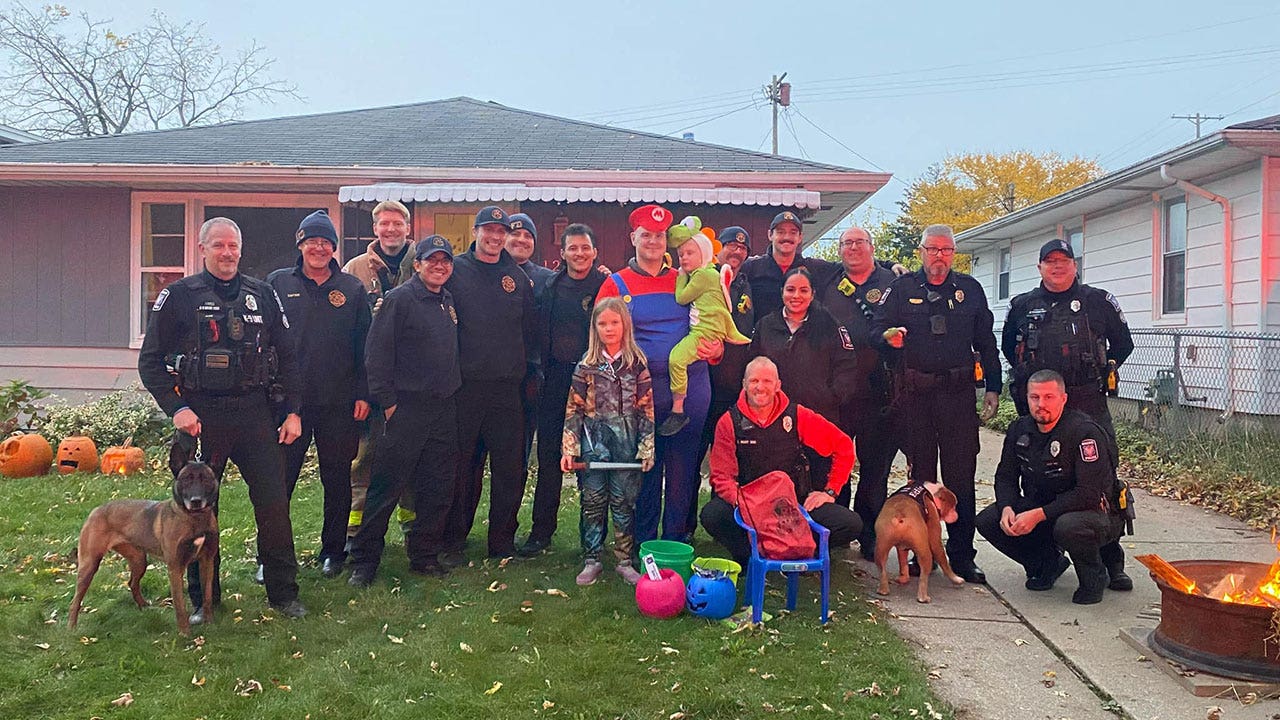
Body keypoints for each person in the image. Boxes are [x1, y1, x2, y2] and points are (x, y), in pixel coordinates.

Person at [137, 216, 306, 620]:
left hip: (254, 413)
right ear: (202, 249)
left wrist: (293, 411)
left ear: (240, 250)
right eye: (219, 245)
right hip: (201, 415)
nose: (227, 253)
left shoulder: (262, 294)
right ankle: (203, 600)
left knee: (273, 504)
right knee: (195, 511)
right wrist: (177, 408)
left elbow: (288, 357)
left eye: (233, 246)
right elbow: (150, 362)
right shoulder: (178, 296)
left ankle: (284, 594)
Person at [871, 224, 1001, 584]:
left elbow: (987, 342)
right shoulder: (901, 289)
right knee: (921, 481)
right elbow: (875, 329)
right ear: (921, 252)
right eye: (932, 249)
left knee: (960, 478)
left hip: (958, 396)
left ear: (953, 254)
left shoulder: (970, 291)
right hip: (917, 397)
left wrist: (994, 386)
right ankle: (921, 554)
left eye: (945, 250)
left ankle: (962, 556)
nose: (939, 256)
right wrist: (888, 337)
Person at [597, 204, 722, 544]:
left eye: (660, 236)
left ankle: (677, 542)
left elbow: (713, 321)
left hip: (690, 388)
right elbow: (601, 340)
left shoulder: (687, 279)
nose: (654, 241)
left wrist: (716, 348)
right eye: (646, 235)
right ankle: (645, 541)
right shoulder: (614, 284)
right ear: (633, 238)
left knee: (683, 468)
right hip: (641, 392)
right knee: (645, 469)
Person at [347, 236, 462, 585]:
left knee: (436, 487)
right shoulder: (399, 300)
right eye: (432, 260)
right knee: (385, 488)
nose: (439, 266)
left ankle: (424, 555)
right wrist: (389, 404)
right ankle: (364, 562)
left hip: (443, 408)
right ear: (418, 264)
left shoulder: (446, 300)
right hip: (406, 409)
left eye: (445, 261)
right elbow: (376, 355)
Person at [267, 210, 371, 580]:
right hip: (289, 406)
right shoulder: (277, 284)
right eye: (312, 241)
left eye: (326, 242)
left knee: (337, 479)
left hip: (339, 403)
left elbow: (365, 347)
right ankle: (272, 557)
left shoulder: (352, 289)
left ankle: (333, 551)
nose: (319, 247)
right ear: (300, 244)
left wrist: (364, 393)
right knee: (280, 482)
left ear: (334, 249)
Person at [976, 370, 1132, 605]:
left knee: (1069, 526)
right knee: (989, 520)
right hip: (1048, 506)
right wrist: (1008, 508)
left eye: (1049, 397)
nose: (1041, 404)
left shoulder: (1084, 432)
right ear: (1026, 398)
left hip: (1095, 512)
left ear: (1063, 399)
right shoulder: (1020, 429)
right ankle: (1047, 563)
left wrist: (1037, 515)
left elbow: (1088, 494)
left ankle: (1095, 576)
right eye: (1035, 397)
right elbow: (1006, 476)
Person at [441, 206, 539, 561]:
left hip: (506, 391)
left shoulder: (516, 278)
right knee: (462, 467)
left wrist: (530, 375)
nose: (496, 237)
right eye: (490, 230)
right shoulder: (455, 271)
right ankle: (453, 540)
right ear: (477, 231)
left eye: (502, 232)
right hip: (465, 388)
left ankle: (501, 542)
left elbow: (530, 332)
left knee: (509, 470)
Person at [699, 357, 863, 568]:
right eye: (754, 381)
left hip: (792, 506)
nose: (760, 387)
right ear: (744, 384)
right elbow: (722, 476)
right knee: (712, 515)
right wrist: (741, 501)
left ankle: (798, 553)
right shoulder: (729, 422)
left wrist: (829, 492)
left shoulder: (797, 416)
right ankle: (750, 557)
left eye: (767, 381)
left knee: (851, 523)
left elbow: (843, 446)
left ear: (778, 385)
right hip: (750, 503)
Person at [518, 224, 606, 557]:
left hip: (595, 385)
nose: (579, 253)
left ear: (595, 252)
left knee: (593, 462)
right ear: (563, 252)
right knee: (551, 458)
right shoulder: (551, 285)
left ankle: (593, 538)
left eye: (585, 248)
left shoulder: (605, 286)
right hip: (554, 381)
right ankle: (541, 532)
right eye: (573, 248)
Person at [561, 297, 655, 585]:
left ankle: (624, 560)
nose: (609, 328)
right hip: (594, 443)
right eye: (602, 323)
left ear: (624, 325)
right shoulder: (586, 366)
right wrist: (569, 448)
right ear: (595, 329)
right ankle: (592, 559)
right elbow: (573, 408)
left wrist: (647, 447)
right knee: (592, 500)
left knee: (624, 501)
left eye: (614, 322)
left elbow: (647, 408)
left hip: (626, 444)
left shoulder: (637, 364)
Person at [817, 226, 898, 560]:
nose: (853, 248)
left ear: (872, 246)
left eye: (859, 242)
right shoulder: (828, 282)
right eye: (846, 243)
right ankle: (840, 529)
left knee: (875, 468)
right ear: (839, 250)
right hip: (838, 389)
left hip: (880, 390)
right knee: (837, 460)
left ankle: (869, 533)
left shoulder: (893, 282)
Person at [1003, 239, 1134, 434]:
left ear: (1075, 265)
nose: (1058, 266)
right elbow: (1008, 348)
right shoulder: (1021, 305)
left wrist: (1100, 371)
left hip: (1087, 402)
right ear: (1040, 267)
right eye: (1050, 261)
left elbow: (1123, 344)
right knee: (1034, 461)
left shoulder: (1098, 301)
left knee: (1098, 460)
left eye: (1064, 260)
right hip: (1040, 407)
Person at [343, 200, 416, 539]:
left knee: (413, 455)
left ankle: (412, 523)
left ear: (408, 227)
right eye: (384, 224)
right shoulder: (354, 270)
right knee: (365, 458)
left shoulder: (426, 263)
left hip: (414, 379)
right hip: (371, 380)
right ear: (375, 229)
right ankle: (357, 529)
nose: (391, 230)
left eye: (397, 223)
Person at [659, 218, 750, 437]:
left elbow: (682, 298)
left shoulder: (702, 276)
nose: (683, 259)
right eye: (681, 255)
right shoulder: (712, 274)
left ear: (705, 252)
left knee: (676, 359)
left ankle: (678, 410)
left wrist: (680, 276)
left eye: (689, 253)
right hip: (708, 368)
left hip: (710, 352)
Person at [698, 226, 755, 470]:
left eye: (742, 248)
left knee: (727, 461)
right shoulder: (703, 277)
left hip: (730, 389)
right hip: (702, 383)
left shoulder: (744, 283)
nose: (737, 251)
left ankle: (720, 509)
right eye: (731, 245)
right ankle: (687, 510)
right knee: (693, 458)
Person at [506, 212, 556, 463]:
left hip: (529, 373)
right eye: (515, 233)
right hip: (489, 375)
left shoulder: (546, 279)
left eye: (528, 235)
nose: (521, 240)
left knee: (520, 448)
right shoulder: (485, 272)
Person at [740, 210, 836, 319]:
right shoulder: (751, 268)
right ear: (770, 235)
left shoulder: (815, 268)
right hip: (761, 334)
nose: (787, 237)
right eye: (780, 232)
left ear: (800, 237)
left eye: (793, 232)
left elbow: (850, 268)